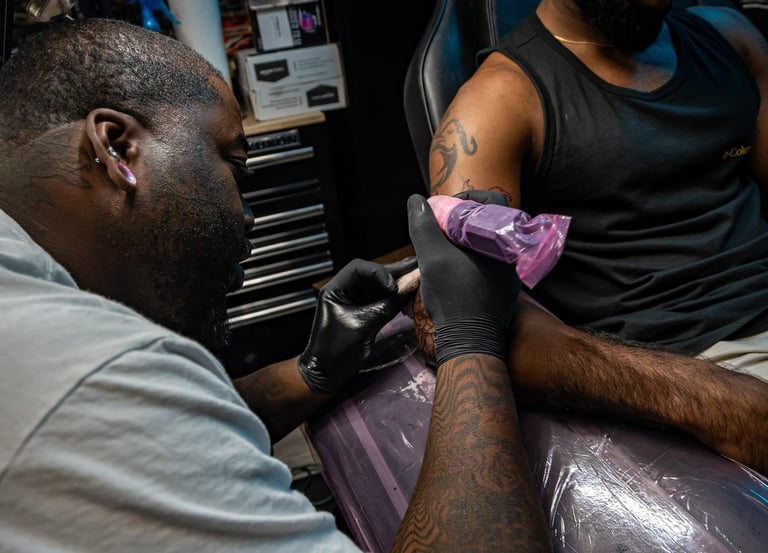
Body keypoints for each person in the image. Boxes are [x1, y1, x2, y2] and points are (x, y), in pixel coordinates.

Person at [0, 18, 552, 553]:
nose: (248, 217)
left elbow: (163, 422)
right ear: (118, 146)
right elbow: (131, 408)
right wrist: (471, 341)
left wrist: (311, 372)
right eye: (234, 168)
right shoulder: (86, 375)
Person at [426, 0, 768, 474]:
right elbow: (470, 322)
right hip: (693, 358)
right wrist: (709, 397)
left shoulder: (732, 39)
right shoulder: (496, 105)